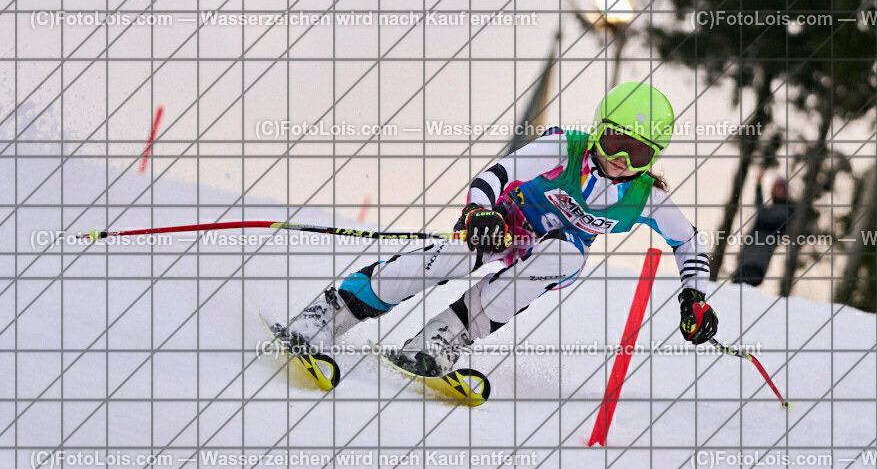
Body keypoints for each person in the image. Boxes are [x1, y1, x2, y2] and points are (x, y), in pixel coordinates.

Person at [271, 82, 717, 387]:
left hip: (551, 253)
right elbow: (498, 174)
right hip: (504, 223)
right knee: (451, 258)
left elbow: (688, 241)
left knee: (564, 257)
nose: (622, 159)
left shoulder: (644, 196)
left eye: (638, 152)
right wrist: (478, 211)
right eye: (615, 142)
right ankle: (329, 315)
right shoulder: (566, 147)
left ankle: (440, 340)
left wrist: (693, 297)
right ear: (598, 130)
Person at [732, 168, 795, 287]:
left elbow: (762, 213)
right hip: (747, 260)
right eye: (774, 187)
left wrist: (758, 187)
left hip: (757, 263)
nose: (774, 190)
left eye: (778, 187)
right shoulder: (774, 210)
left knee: (741, 290)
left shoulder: (785, 213)